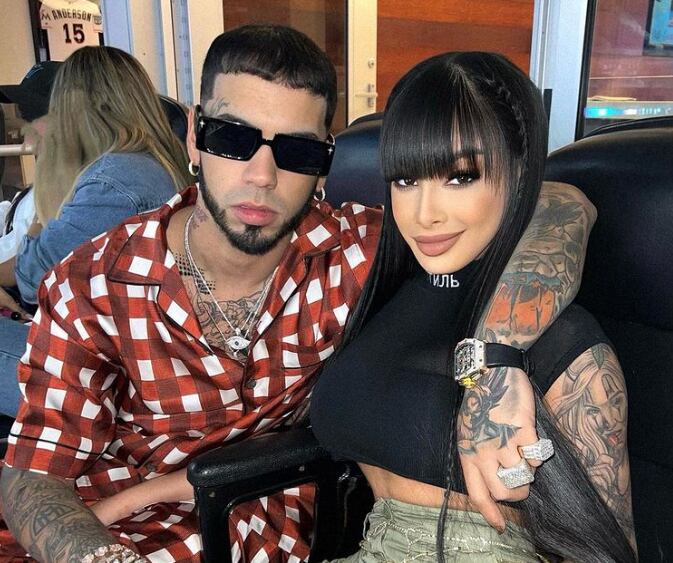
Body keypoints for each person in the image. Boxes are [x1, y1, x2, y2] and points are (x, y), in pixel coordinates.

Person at [0, 26, 596, 563]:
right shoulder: (93, 281)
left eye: (298, 150)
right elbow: (32, 473)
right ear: (195, 136)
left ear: (324, 162)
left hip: (262, 524)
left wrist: (496, 360)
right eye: (233, 138)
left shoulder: (362, 251)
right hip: (103, 523)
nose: (262, 175)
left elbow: (558, 205)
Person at [310, 52, 636, 562]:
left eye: (460, 177)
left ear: (520, 172)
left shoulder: (563, 342)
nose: (424, 214)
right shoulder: (388, 293)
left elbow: (610, 551)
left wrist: (495, 361)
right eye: (406, 180)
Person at [0, 46, 190, 417]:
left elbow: (34, 278)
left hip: (115, 385)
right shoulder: (156, 164)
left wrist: (50, 175)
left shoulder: (116, 179)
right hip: (133, 361)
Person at [0, 61, 62, 319]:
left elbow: (28, 268)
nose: (24, 127)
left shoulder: (71, 192)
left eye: (32, 115)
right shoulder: (35, 191)